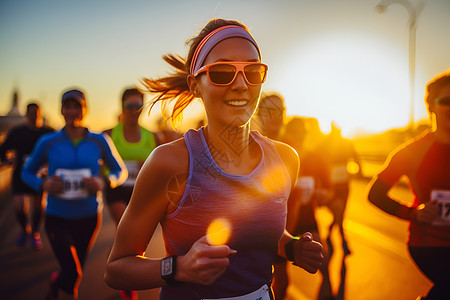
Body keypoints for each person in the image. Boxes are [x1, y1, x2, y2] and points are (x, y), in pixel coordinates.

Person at [105, 18, 324, 300]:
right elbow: (116, 269)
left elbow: (260, 234)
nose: (241, 85)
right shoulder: (170, 163)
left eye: (253, 71)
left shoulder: (285, 159)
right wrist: (179, 268)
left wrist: (291, 247)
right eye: (223, 72)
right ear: (195, 85)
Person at [21, 89, 127, 300]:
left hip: (88, 218)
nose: (72, 111)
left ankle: (56, 282)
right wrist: (43, 184)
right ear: (62, 110)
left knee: (73, 272)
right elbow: (27, 171)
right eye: (67, 106)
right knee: (73, 272)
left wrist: (104, 181)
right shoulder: (48, 141)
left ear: (84, 109)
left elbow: (120, 170)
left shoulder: (99, 140)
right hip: (57, 217)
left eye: (77, 106)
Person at [367, 70, 450, 300]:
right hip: (429, 245)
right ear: (431, 106)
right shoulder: (412, 152)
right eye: (447, 101)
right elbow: (375, 194)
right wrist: (415, 214)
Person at [103, 87, 160, 300]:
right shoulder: (110, 134)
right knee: (125, 226)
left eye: (138, 106)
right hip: (117, 190)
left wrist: (149, 165)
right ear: (122, 107)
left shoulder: (152, 136)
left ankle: (127, 268)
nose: (134, 110)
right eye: (130, 106)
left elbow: (162, 165)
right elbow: (100, 161)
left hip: (141, 191)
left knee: (136, 237)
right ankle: (127, 277)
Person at [282, 117, 334, 300]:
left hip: (307, 219)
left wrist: (322, 194)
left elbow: (329, 191)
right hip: (281, 221)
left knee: (323, 260)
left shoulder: (315, 159)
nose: (298, 137)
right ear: (286, 133)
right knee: (280, 276)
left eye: (302, 132)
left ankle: (327, 295)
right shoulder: (277, 155)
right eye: (293, 132)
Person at [0, 102, 54, 249]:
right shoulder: (17, 132)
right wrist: (7, 160)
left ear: (41, 114)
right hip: (20, 173)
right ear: (26, 114)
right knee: (19, 206)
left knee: (38, 207)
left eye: (36, 113)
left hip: (40, 175)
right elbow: (3, 149)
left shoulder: (48, 133)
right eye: (31, 113)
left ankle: (35, 234)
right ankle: (25, 229)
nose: (34, 116)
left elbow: (59, 150)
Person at [316, 122, 361, 256]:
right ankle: (344, 243)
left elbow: (356, 157)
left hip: (344, 185)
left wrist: (360, 170)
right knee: (339, 212)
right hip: (331, 186)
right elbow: (317, 160)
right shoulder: (325, 144)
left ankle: (330, 233)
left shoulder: (346, 143)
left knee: (341, 214)